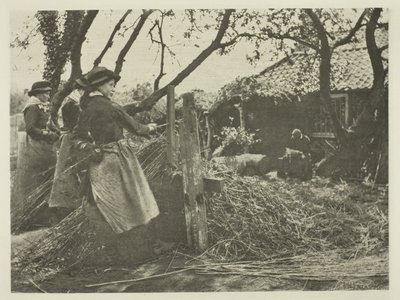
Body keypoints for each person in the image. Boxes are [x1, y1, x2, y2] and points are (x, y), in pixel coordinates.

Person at [73, 67, 159, 236]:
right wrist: (149, 127)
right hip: (118, 158)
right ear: (99, 86)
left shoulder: (87, 107)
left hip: (99, 162)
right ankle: (137, 239)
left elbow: (77, 136)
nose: (113, 89)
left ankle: (111, 238)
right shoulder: (111, 106)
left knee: (106, 199)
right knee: (133, 198)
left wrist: (90, 147)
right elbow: (137, 128)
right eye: (111, 85)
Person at [12, 81, 59, 220]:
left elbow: (49, 123)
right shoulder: (32, 107)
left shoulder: (43, 106)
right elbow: (31, 129)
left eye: (48, 93)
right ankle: (33, 216)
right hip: (34, 146)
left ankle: (44, 213)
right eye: (45, 93)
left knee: (45, 176)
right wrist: (48, 135)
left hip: (44, 146)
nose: (48, 96)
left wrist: (58, 131)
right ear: (38, 94)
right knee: (36, 178)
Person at [47, 75, 89, 215]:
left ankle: (69, 207)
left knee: (68, 172)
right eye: (85, 91)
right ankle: (67, 208)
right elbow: (77, 127)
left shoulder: (74, 103)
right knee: (69, 173)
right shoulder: (73, 105)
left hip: (70, 138)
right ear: (80, 90)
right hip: (71, 140)